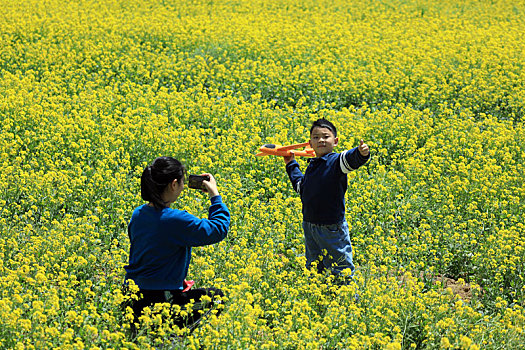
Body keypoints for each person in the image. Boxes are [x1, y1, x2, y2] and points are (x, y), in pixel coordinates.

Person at [123, 156, 230, 334]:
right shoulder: (175, 219)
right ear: (173, 184)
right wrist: (215, 196)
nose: (182, 186)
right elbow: (218, 229)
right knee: (216, 298)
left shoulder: (139, 214)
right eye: (181, 182)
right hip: (159, 304)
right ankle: (179, 337)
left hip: (131, 301)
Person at [283, 118, 370, 279]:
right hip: (310, 226)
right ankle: (321, 299)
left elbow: (350, 159)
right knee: (315, 267)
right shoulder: (313, 164)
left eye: (325, 136)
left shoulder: (335, 162)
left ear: (335, 141)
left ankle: (348, 299)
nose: (321, 140)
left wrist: (361, 153)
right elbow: (301, 188)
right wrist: (291, 164)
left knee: (341, 267)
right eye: (316, 137)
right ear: (310, 143)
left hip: (332, 229)